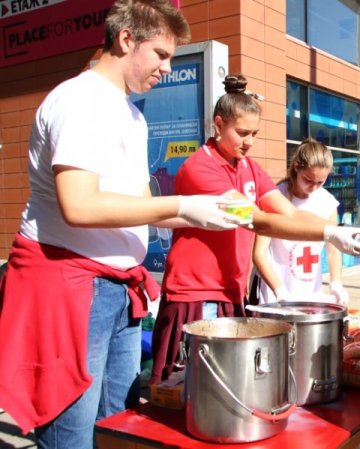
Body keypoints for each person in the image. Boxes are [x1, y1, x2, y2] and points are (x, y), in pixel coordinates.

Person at [0, 2, 244, 448]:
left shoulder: (130, 113)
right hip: (71, 287)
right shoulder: (81, 99)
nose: (167, 69)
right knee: (71, 435)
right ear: (126, 39)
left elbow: (144, 206)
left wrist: (209, 210)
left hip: (115, 289)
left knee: (119, 428)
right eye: (161, 55)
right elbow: (80, 206)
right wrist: (187, 206)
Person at [150, 74, 360, 384]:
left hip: (230, 288)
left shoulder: (249, 167)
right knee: (190, 387)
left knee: (226, 387)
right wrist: (327, 233)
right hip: (195, 291)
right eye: (241, 133)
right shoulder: (201, 168)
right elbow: (258, 219)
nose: (249, 142)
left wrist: (344, 231)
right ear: (218, 124)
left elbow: (289, 212)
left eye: (254, 133)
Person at [251, 138, 348, 304]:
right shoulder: (275, 198)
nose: (314, 187)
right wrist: (279, 290)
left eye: (321, 182)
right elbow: (259, 254)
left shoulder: (327, 201)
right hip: (276, 291)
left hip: (310, 291)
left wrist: (336, 283)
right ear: (296, 166)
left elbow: (333, 249)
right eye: (308, 180)